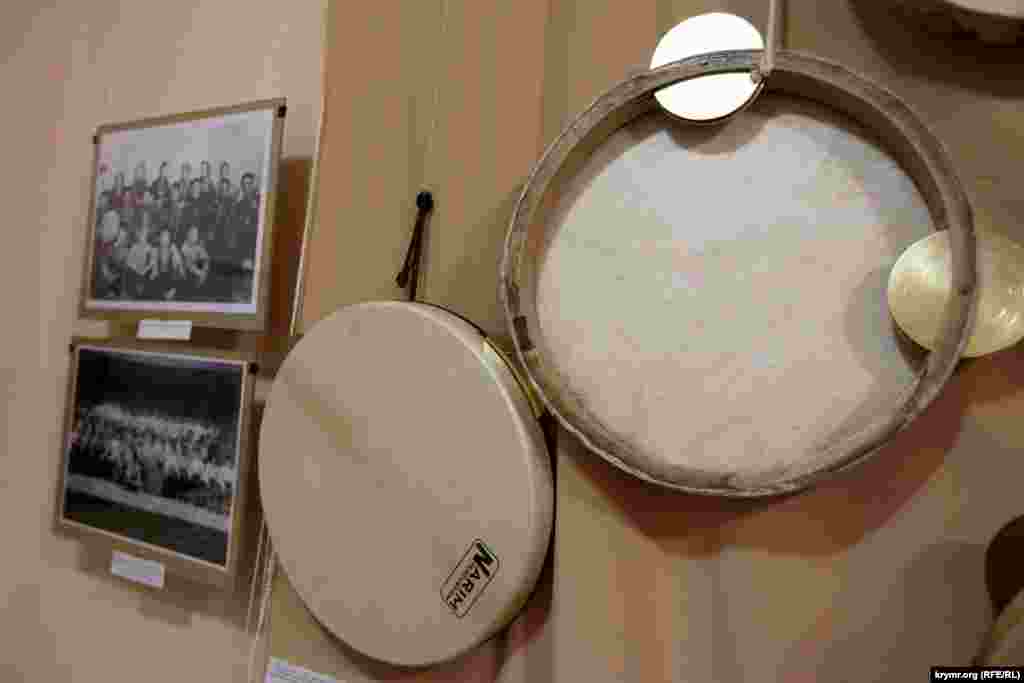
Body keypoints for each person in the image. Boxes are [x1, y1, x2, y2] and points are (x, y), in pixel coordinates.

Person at [124, 217, 157, 299]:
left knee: (150, 278)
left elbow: (153, 262)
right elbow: (128, 262)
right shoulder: (134, 247)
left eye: (145, 234)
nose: (143, 237)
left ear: (148, 235)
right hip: (135, 273)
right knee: (131, 277)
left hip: (145, 274)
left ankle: (144, 294)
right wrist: (136, 269)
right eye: (141, 234)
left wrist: (146, 269)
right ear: (138, 235)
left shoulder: (150, 248)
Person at [152, 227, 185, 300]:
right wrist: (162, 292)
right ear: (159, 238)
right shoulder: (155, 250)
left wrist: (175, 253)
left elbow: (181, 271)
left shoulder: (173, 249)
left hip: (172, 282)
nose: (165, 239)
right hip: (159, 282)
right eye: (163, 236)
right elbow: (154, 274)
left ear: (170, 238)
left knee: (176, 267)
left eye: (167, 236)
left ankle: (172, 292)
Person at [180, 225, 210, 299]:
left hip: (198, 276)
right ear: (187, 234)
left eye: (196, 234)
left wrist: (204, 270)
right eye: (192, 233)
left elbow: (206, 259)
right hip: (187, 277)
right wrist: (200, 273)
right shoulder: (184, 247)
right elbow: (188, 265)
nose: (194, 236)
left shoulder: (198, 246)